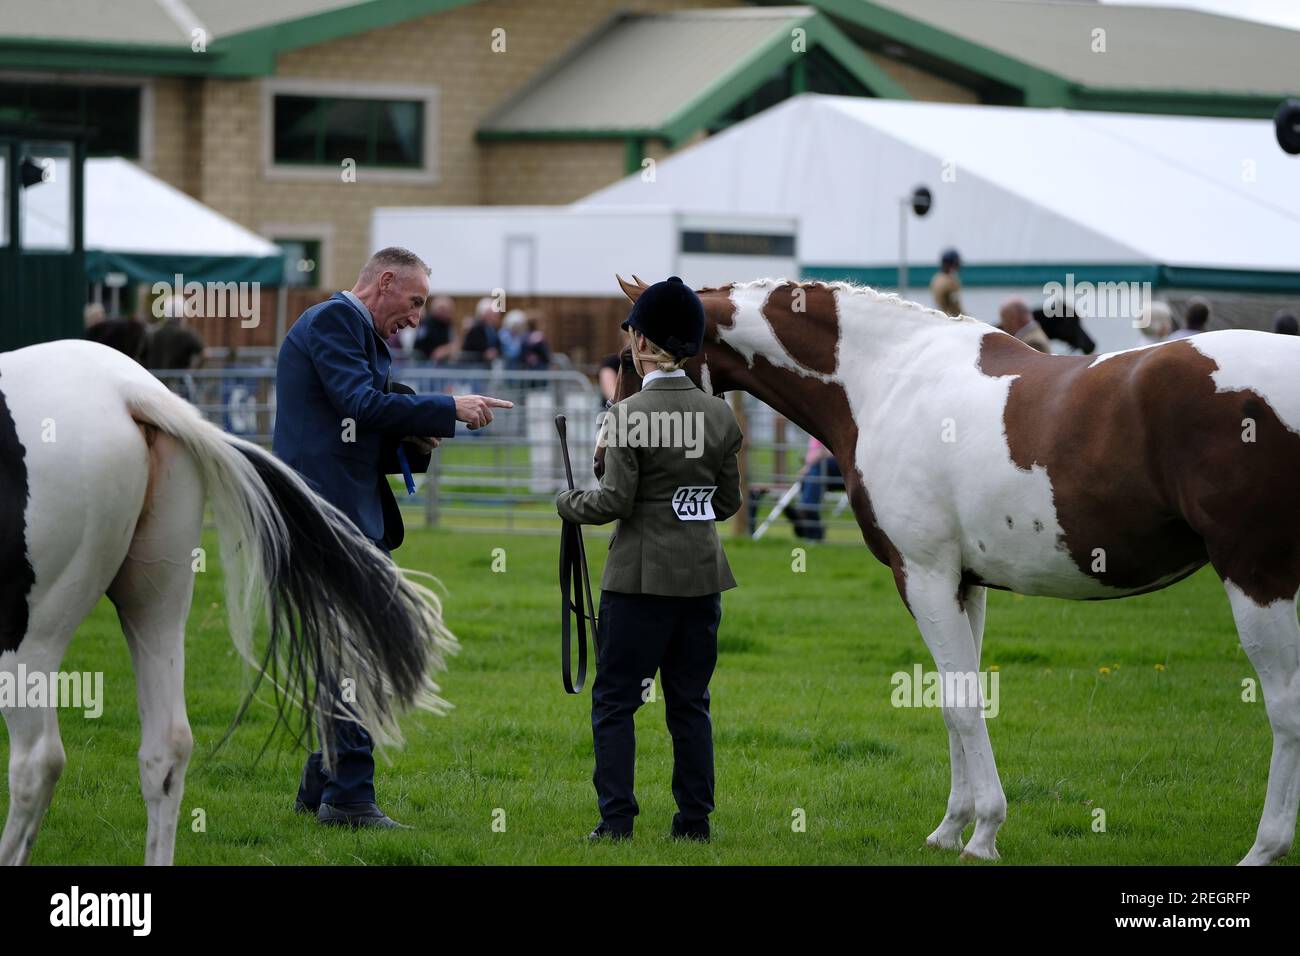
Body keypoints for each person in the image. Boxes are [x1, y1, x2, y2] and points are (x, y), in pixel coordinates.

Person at [274, 246, 513, 829]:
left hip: (340, 515)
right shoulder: (335, 321)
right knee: (363, 650)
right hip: (327, 517)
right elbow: (360, 405)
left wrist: (419, 434)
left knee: (350, 650)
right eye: (415, 301)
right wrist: (444, 409)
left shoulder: (356, 330)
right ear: (384, 281)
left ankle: (324, 785)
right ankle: (350, 800)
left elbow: (354, 426)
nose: (417, 315)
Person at [556, 276, 742, 843]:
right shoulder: (719, 415)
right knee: (690, 704)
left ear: (643, 345)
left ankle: (615, 824)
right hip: (702, 580)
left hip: (638, 583)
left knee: (614, 703)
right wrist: (685, 504)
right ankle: (694, 824)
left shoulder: (628, 414)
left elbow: (614, 502)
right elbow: (728, 501)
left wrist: (567, 503)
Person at [141, 296, 205, 370]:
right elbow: (204, 353)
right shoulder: (186, 334)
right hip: (177, 379)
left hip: (154, 378)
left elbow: (142, 357)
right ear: (182, 314)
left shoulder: (152, 333)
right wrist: (194, 373)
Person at [413, 295, 458, 362]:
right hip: (425, 363)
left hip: (443, 363)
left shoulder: (448, 324)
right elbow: (419, 345)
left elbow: (454, 342)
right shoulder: (426, 324)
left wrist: (446, 349)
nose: (448, 313)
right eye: (444, 309)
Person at [930, 248, 963, 317]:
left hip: (939, 316)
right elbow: (955, 306)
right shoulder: (950, 281)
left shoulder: (936, 278)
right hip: (950, 319)